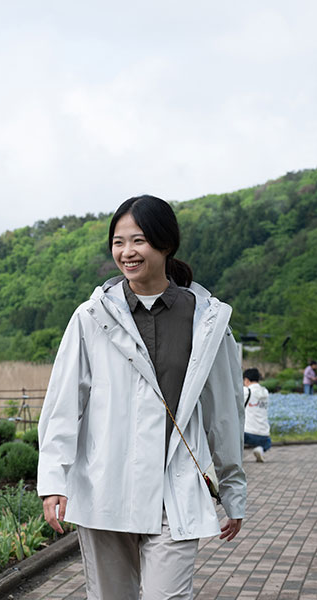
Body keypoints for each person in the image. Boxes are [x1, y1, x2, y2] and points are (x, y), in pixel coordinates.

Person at [37, 195, 246, 600]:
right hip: (105, 487)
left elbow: (225, 412)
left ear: (166, 244)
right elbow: (63, 405)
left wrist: (233, 491)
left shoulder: (206, 318)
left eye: (139, 240)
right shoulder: (91, 316)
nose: (127, 252)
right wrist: (53, 480)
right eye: (118, 242)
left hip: (176, 489)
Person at [242, 368, 271, 462]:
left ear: (246, 380)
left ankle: (235, 456)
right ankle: (260, 449)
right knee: (268, 442)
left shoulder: (246, 391)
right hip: (263, 435)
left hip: (246, 434)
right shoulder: (265, 392)